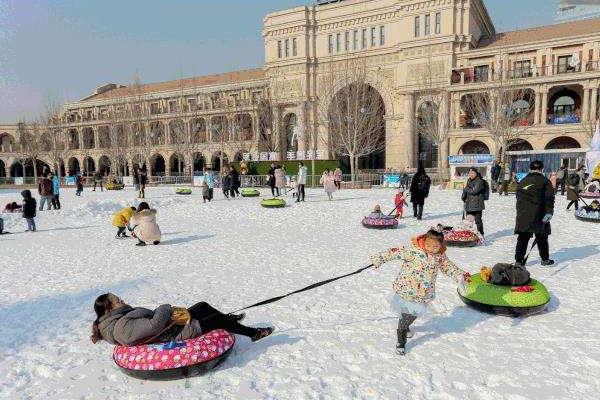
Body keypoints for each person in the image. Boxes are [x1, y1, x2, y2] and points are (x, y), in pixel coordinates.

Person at [370, 229, 471, 355]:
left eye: (435, 246)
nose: (430, 248)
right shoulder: (413, 250)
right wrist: (379, 258)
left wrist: (461, 275)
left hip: (423, 293)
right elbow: (395, 252)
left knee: (412, 314)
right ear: (424, 241)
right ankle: (401, 340)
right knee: (408, 315)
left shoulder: (440, 256)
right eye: (428, 244)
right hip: (407, 289)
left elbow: (449, 267)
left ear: (441, 245)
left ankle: (405, 326)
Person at [90, 293, 273, 346]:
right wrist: (164, 307)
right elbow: (154, 326)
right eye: (117, 301)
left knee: (202, 305)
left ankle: (229, 320)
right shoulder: (121, 328)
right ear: (109, 309)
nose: (122, 300)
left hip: (171, 324)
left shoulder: (118, 320)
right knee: (214, 320)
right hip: (173, 333)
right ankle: (254, 334)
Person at [514, 160, 555, 267]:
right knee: (542, 238)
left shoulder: (522, 181)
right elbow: (549, 198)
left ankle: (519, 261)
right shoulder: (545, 181)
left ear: (530, 169)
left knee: (522, 238)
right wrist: (549, 212)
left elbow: (518, 197)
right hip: (540, 214)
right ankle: (545, 259)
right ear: (542, 169)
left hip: (523, 214)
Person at [461, 168, 486, 237]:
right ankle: (469, 234)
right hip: (469, 204)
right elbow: (466, 190)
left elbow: (474, 191)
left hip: (477, 205)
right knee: (468, 221)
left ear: (476, 173)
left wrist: (466, 188)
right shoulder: (469, 180)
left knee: (478, 221)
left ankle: (481, 234)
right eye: (470, 173)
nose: (471, 175)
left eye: (473, 173)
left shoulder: (479, 181)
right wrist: (463, 196)